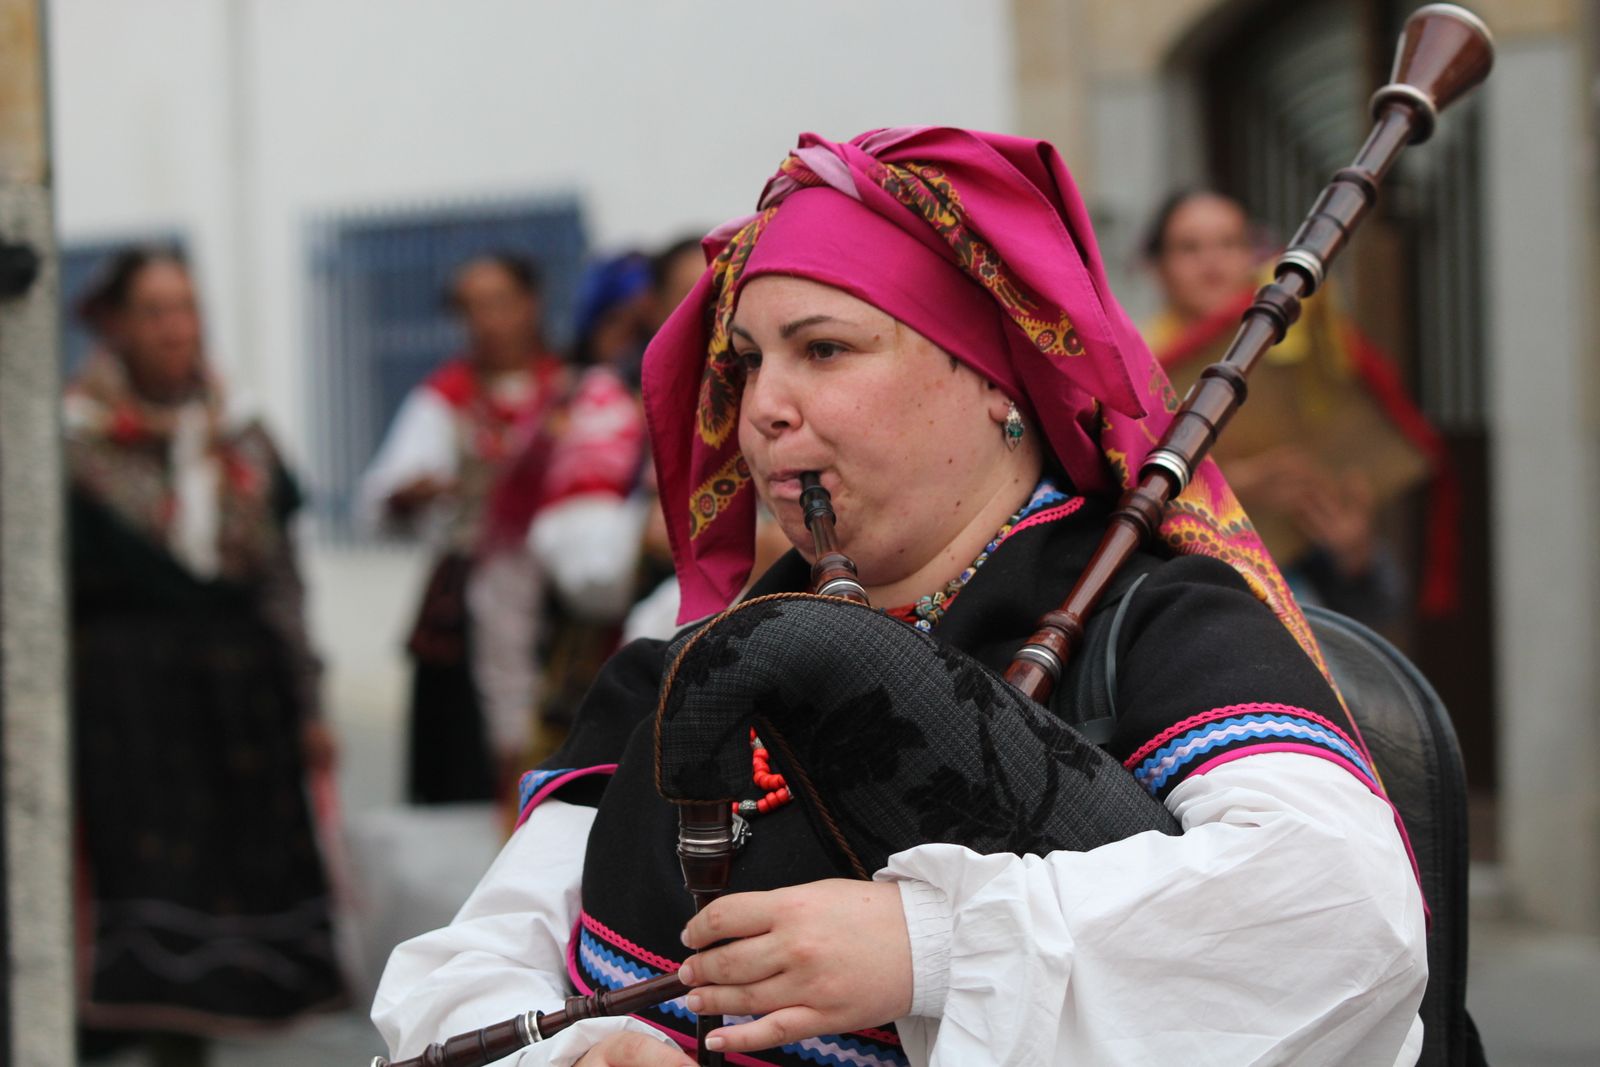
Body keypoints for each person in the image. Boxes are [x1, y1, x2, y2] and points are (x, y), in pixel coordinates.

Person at [372, 130, 1427, 1067]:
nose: (763, 407)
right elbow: (472, 964)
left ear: (995, 379)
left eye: (824, 349)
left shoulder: (1157, 626)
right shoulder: (685, 664)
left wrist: (928, 946)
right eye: (747, 362)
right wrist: (583, 1051)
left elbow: (1344, 917)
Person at [66, 249, 342, 1062]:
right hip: (123, 706)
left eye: (185, 308)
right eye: (153, 311)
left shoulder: (239, 433)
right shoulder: (72, 440)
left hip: (238, 704)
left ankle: (187, 1047)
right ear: (116, 324)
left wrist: (309, 698)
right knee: (141, 890)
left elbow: (282, 580)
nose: (175, 329)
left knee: (227, 894)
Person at [1141, 189, 1456, 623]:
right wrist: (1230, 489)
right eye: (1189, 248)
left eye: (1229, 244)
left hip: (1297, 616)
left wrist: (1354, 552)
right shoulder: (1135, 376)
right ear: (1157, 267)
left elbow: (1380, 607)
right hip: (1176, 612)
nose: (1212, 263)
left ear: (1252, 255)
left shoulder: (1304, 359)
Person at [359, 252, 567, 803]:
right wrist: (413, 493)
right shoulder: (441, 399)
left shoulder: (570, 390)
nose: (487, 321)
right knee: (461, 760)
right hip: (466, 608)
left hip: (559, 600)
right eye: (471, 309)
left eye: (499, 303)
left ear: (531, 304)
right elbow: (383, 497)